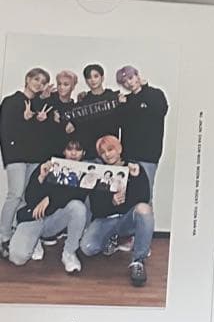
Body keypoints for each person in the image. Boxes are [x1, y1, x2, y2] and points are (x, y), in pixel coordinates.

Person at [80, 134, 153, 287]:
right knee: (87, 248)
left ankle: (138, 261)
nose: (107, 155)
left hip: (126, 219)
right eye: (103, 152)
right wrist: (111, 202)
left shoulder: (134, 168)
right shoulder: (99, 173)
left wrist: (136, 178)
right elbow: (96, 209)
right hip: (106, 220)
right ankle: (114, 238)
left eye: (110, 149)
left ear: (119, 149)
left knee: (144, 209)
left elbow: (144, 198)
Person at [8, 141, 90, 273]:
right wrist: (41, 177)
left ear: (83, 153)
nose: (74, 153)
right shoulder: (48, 165)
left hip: (53, 221)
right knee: (17, 257)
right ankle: (35, 241)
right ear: (64, 151)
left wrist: (51, 199)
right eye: (69, 149)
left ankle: (69, 253)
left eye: (78, 149)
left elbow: (78, 196)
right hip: (34, 217)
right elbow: (30, 198)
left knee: (78, 207)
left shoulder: (83, 173)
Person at [0, 68, 52, 258]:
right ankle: (4, 236)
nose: (39, 84)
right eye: (36, 79)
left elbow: (40, 136)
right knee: (14, 195)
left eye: (43, 82)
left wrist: (40, 121)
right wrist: (23, 119)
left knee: (25, 197)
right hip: (17, 157)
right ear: (27, 79)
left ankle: (16, 232)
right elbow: (5, 130)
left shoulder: (39, 105)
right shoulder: (11, 101)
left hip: (34, 158)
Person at [116, 66, 168, 197]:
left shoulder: (155, 94)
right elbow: (119, 123)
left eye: (131, 78)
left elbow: (161, 110)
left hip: (148, 155)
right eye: (124, 82)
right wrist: (120, 106)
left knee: (145, 195)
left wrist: (145, 89)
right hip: (128, 156)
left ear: (137, 76)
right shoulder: (125, 101)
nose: (129, 83)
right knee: (127, 195)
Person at [71, 63, 122, 156]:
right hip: (89, 152)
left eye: (96, 76)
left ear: (102, 78)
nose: (93, 80)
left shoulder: (113, 97)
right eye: (89, 77)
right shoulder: (83, 101)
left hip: (109, 152)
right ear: (86, 81)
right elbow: (77, 124)